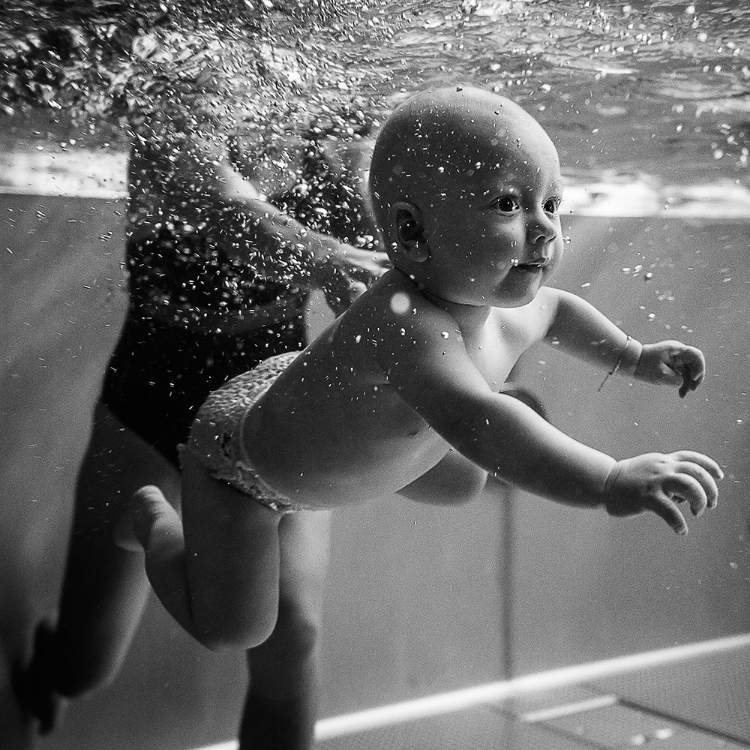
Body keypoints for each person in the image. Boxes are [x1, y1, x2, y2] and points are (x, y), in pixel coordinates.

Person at [125, 85, 723, 664]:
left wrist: (631, 354)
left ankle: (415, 437)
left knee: (462, 479)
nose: (544, 229)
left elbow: (560, 312)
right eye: (509, 205)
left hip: (319, 408)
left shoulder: (501, 312)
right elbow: (482, 418)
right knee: (237, 631)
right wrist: (609, 479)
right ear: (411, 232)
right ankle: (152, 520)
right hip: (243, 464)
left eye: (552, 204)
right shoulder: (408, 324)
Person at [16, 83, 388, 750]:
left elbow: (383, 236)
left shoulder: (338, 101)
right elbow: (210, 200)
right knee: (85, 666)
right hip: (147, 409)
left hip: (271, 413)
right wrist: (328, 255)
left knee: (292, 635)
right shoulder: (187, 75)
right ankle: (53, 666)